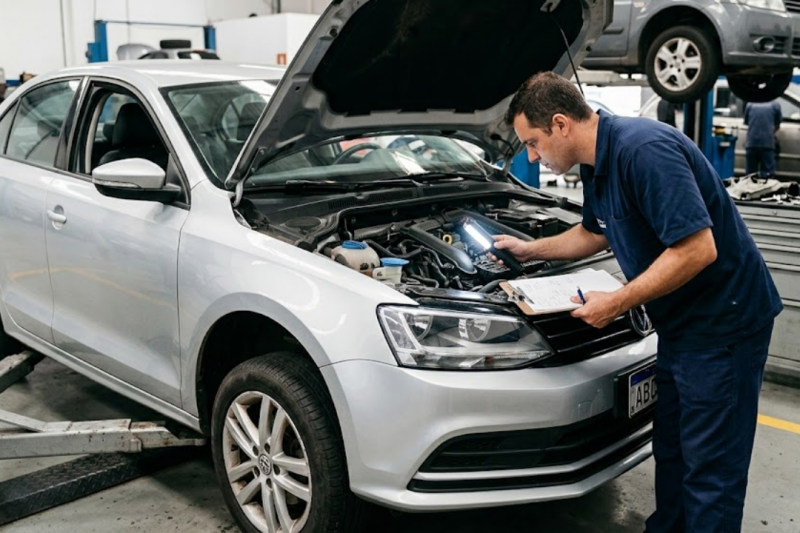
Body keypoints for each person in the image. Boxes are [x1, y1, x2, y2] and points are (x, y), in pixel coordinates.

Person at [492, 72, 782, 533]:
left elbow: (697, 249)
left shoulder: (643, 150)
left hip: (722, 327)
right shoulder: (596, 161)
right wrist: (531, 250)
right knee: (672, 448)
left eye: (532, 142)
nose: (532, 156)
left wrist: (617, 303)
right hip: (680, 326)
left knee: (712, 467)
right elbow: (594, 231)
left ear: (561, 124)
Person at [744, 100, 781, 178]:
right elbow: (777, 124)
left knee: (750, 175)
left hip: (751, 143)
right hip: (767, 144)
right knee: (768, 175)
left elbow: (746, 122)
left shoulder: (750, 104)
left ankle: (751, 189)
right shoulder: (775, 105)